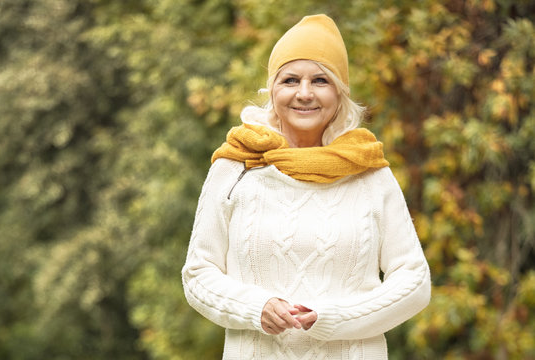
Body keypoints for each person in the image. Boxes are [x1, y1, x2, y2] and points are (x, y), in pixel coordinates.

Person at [182, 14, 431, 359]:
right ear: (272, 90)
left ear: (339, 92)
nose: (304, 93)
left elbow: (414, 282)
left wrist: (334, 319)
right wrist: (257, 307)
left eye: (320, 80)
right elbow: (198, 274)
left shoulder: (369, 172)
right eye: (290, 80)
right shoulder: (236, 165)